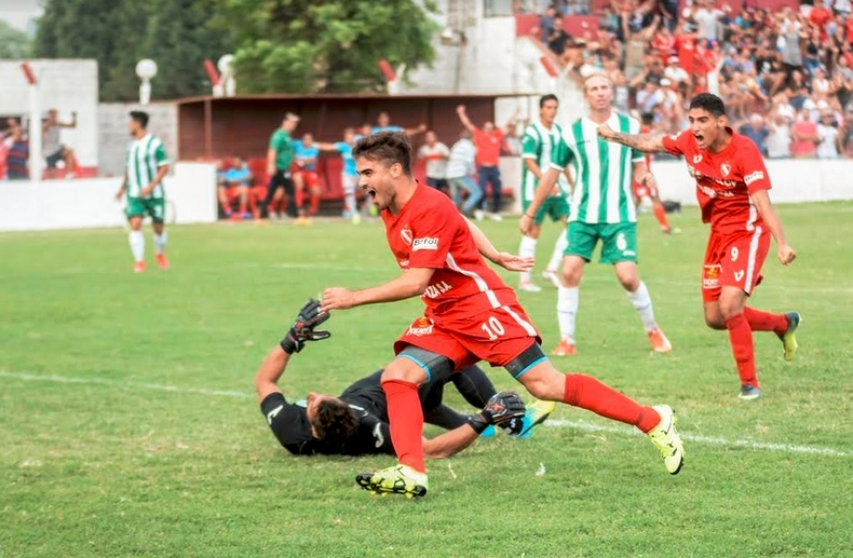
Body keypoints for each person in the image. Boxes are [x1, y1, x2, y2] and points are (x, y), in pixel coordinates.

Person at [321, 132, 685, 498]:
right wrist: (494, 253)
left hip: (483, 308)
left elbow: (416, 280)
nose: (361, 182)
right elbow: (460, 218)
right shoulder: (396, 206)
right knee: (399, 376)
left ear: (395, 170)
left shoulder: (428, 207)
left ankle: (654, 420)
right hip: (446, 316)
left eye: (367, 173)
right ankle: (411, 471)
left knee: (547, 385)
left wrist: (354, 297)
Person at [597, 93, 800, 400]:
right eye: (691, 120)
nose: (694, 127)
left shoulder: (744, 151)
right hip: (717, 235)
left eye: (702, 120)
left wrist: (782, 244)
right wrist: (614, 136)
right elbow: (652, 143)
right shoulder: (689, 143)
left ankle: (750, 384)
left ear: (721, 122)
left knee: (731, 305)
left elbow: (762, 202)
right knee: (715, 318)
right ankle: (782, 323)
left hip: (747, 233)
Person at [255, 300, 535, 458]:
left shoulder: (289, 430)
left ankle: (479, 424)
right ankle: (512, 421)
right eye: (314, 400)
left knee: (433, 407)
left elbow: (265, 382)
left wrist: (291, 339)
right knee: (453, 362)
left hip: (402, 402)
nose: (312, 394)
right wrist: (484, 416)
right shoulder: (370, 428)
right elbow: (429, 450)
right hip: (402, 393)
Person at [520, 74, 672, 357]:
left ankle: (653, 330)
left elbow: (638, 165)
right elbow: (551, 175)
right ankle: (567, 340)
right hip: (582, 215)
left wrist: (645, 177)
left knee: (628, 277)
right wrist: (530, 212)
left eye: (604, 88)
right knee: (568, 271)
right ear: (586, 96)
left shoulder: (630, 126)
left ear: (611, 93)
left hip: (620, 215)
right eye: (594, 89)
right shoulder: (571, 133)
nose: (599, 93)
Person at [517, 94, 572, 293]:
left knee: (572, 225)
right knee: (533, 231)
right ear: (541, 109)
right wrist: (544, 181)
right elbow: (529, 161)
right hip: (535, 190)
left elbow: (563, 162)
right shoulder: (532, 132)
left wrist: (573, 184)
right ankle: (524, 279)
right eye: (548, 107)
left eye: (554, 107)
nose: (552, 111)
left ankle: (551, 269)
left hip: (557, 190)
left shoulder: (559, 132)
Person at [114, 111, 170, 273]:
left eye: (130, 122)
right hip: (135, 193)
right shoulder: (130, 146)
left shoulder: (155, 143)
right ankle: (139, 262)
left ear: (138, 123)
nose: (128, 126)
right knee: (136, 223)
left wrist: (151, 186)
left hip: (154, 193)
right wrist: (122, 188)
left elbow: (164, 167)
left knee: (158, 227)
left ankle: (159, 254)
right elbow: (128, 169)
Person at [456, 105, 515, 220]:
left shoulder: (496, 135)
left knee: (497, 190)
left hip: (494, 168)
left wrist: (515, 113)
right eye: (487, 127)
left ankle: (496, 212)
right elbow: (468, 124)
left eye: (490, 127)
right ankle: (480, 209)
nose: (489, 129)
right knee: (482, 189)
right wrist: (461, 113)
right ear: (483, 128)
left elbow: (507, 124)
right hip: (483, 168)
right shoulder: (479, 135)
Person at [261, 113, 306, 223]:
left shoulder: (287, 136)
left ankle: (262, 212)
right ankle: (294, 214)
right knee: (290, 190)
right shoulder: (278, 135)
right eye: (292, 123)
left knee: (271, 192)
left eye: (295, 123)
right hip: (279, 168)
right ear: (285, 122)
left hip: (286, 168)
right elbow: (273, 150)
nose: (294, 125)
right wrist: (271, 165)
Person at [633, 113, 674, 234]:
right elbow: (643, 150)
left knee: (637, 200)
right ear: (651, 122)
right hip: (644, 172)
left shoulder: (641, 131)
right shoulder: (645, 132)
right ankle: (665, 227)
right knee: (655, 198)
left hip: (639, 171)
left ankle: (625, 222)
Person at [316, 128, 362, 224]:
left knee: (371, 191)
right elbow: (329, 147)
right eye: (347, 138)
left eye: (350, 137)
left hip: (360, 174)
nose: (349, 140)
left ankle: (368, 209)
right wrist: (315, 144)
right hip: (347, 174)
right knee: (349, 192)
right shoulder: (343, 146)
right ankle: (354, 214)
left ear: (354, 138)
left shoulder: (360, 146)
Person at [444, 130, 483, 216]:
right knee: (477, 192)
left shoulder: (456, 145)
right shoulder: (470, 147)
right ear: (472, 138)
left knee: (456, 197)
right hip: (460, 173)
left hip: (449, 173)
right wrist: (473, 172)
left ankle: (452, 214)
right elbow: (469, 161)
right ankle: (466, 209)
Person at [42, 109, 79, 180]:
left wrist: (74, 117)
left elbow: (73, 126)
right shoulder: (46, 125)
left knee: (69, 152)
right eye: (52, 116)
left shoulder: (58, 124)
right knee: (51, 175)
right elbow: (45, 128)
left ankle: (68, 174)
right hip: (49, 152)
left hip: (57, 149)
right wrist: (50, 121)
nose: (54, 118)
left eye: (55, 116)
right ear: (49, 116)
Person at [294, 133, 322, 217]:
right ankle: (299, 209)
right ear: (302, 140)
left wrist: (299, 160)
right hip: (299, 171)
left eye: (310, 139)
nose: (307, 141)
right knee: (298, 179)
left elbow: (310, 160)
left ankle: (313, 211)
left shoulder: (314, 149)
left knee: (317, 191)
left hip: (310, 172)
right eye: (305, 139)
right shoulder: (297, 144)